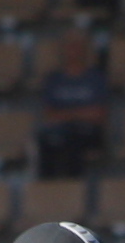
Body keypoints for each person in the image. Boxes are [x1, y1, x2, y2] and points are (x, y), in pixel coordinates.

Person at [33, 31, 110, 181]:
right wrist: (81, 113)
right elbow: (49, 116)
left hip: (88, 133)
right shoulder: (53, 79)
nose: (74, 50)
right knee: (45, 141)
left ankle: (74, 188)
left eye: (77, 46)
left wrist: (65, 114)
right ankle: (47, 188)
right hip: (60, 132)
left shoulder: (96, 78)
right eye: (70, 46)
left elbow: (99, 114)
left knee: (73, 141)